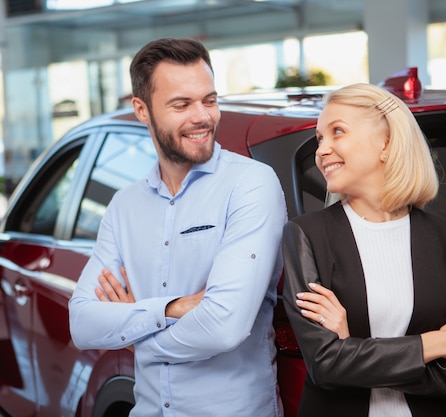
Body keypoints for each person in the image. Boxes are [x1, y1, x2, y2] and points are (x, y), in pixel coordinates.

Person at [68, 37, 287, 417]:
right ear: (142, 109)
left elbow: (223, 326)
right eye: (181, 104)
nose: (202, 116)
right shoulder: (124, 206)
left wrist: (137, 337)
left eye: (210, 100)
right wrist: (175, 307)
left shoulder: (251, 184)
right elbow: (83, 323)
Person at [282, 83, 446, 417]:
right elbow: (326, 364)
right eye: (321, 138)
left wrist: (353, 350)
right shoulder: (306, 235)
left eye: (338, 132)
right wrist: (435, 344)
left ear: (387, 143)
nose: (322, 150)